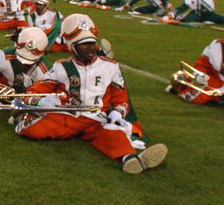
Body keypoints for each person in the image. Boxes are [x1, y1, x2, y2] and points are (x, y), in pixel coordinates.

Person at [15, 13, 168, 173]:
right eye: (84, 44)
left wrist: (117, 112)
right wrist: (41, 102)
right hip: (68, 116)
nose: (91, 48)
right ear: (73, 47)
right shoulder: (61, 67)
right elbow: (35, 92)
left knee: (114, 135)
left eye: (92, 43)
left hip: (97, 120)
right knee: (30, 130)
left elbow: (121, 99)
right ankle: (26, 116)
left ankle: (130, 159)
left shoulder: (111, 67)